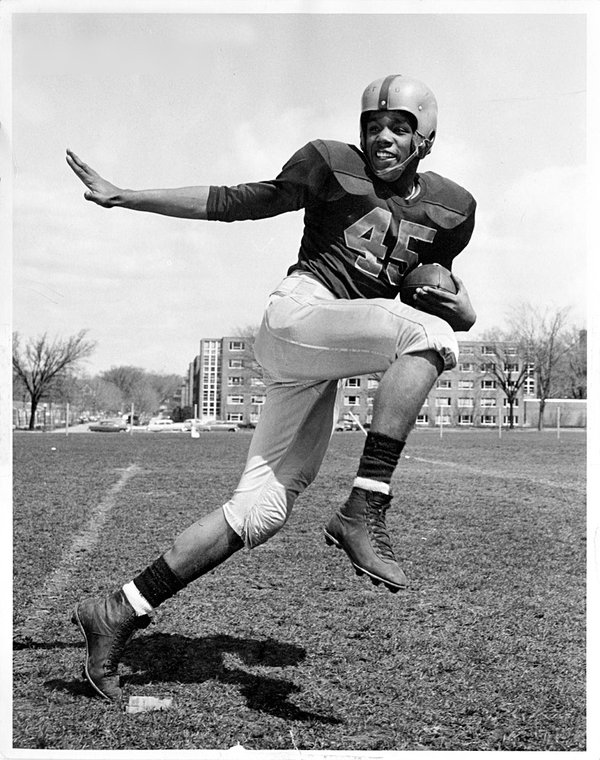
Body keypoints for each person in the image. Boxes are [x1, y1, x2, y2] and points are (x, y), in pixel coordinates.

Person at [67, 73, 477, 702]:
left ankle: (118, 611)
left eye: (399, 127)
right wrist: (128, 196)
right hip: (298, 316)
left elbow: (460, 310)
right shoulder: (330, 164)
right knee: (425, 338)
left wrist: (457, 302)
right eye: (373, 125)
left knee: (260, 512)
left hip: (326, 352)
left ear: (426, 139)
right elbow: (239, 199)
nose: (382, 136)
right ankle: (365, 507)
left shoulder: (451, 209)